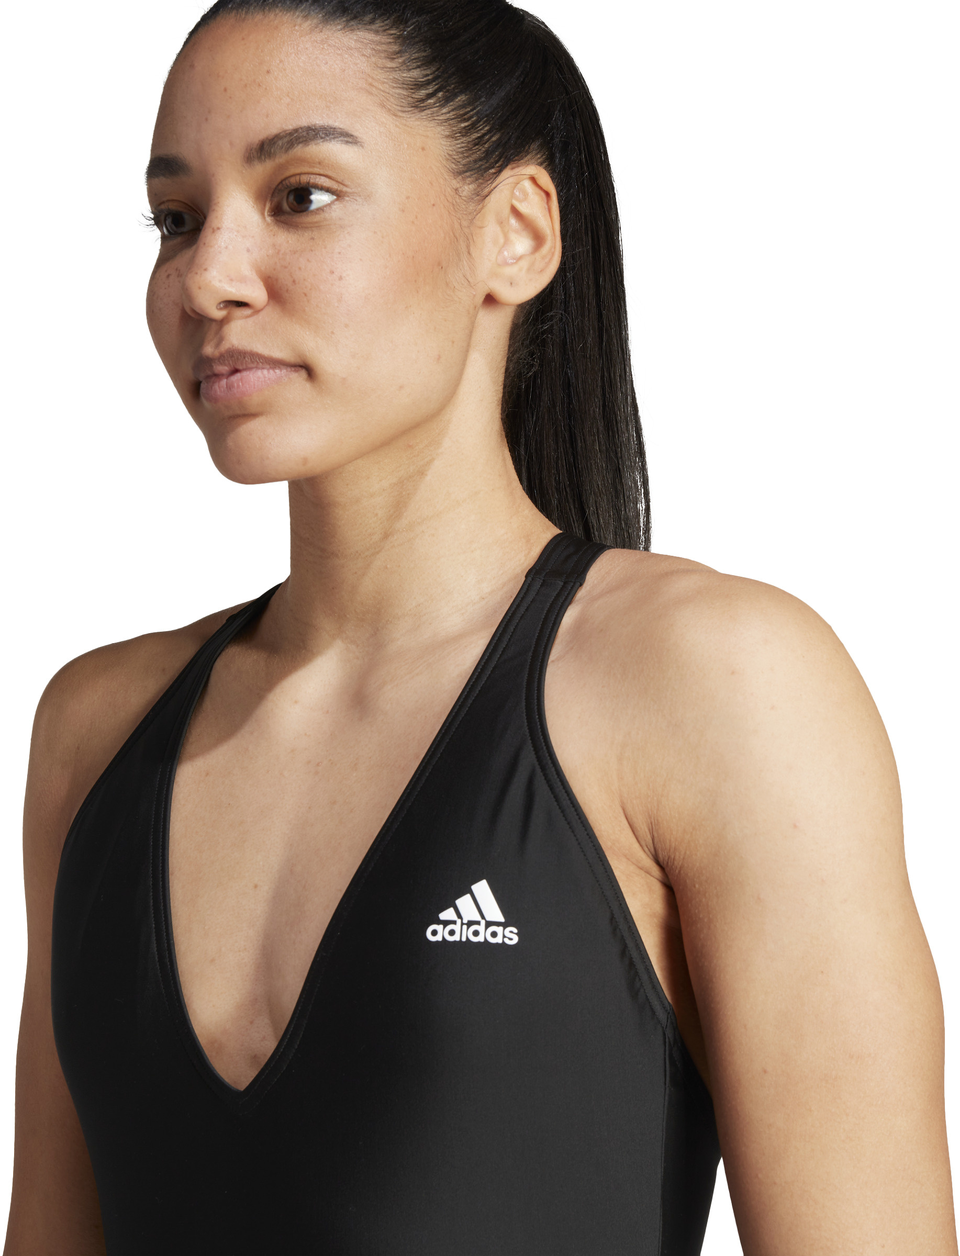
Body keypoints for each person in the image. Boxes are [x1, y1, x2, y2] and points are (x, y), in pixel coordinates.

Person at [4, 0, 956, 1252]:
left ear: (516, 231)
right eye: (176, 219)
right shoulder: (94, 731)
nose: (208, 277)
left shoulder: (714, 683)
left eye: (300, 196)